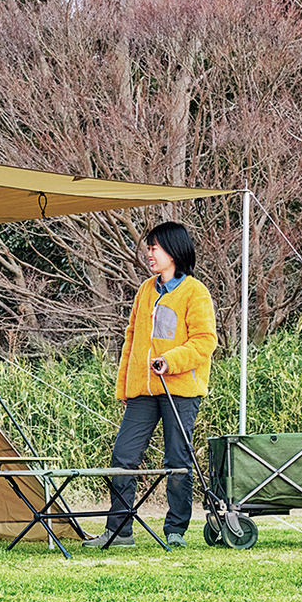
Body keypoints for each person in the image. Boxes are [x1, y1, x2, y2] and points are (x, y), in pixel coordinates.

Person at [85, 222, 217, 549]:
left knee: (177, 460)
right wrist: (125, 388)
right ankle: (119, 532)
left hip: (179, 391)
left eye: (154, 247)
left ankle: (176, 530)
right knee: (123, 456)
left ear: (173, 251)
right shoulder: (146, 289)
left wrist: (170, 361)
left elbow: (204, 341)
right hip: (142, 391)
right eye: (149, 248)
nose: (149, 253)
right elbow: (131, 341)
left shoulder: (195, 291)